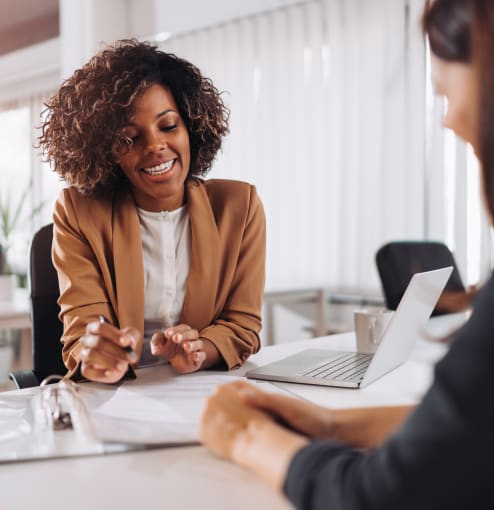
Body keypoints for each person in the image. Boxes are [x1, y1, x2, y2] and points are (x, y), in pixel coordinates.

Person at [199, 0, 494, 508]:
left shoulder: (238, 205)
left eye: (447, 94)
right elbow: (470, 433)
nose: (448, 120)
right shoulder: (85, 218)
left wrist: (247, 437)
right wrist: (330, 423)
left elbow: (381, 495)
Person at [38, 40, 265, 384]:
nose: (155, 146)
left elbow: (242, 325)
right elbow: (82, 331)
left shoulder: (239, 206)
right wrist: (96, 354)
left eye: (168, 126)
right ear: (107, 152)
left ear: (191, 126)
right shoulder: (78, 212)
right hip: (115, 399)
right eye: (129, 138)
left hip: (201, 392)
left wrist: (200, 351)